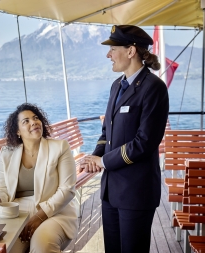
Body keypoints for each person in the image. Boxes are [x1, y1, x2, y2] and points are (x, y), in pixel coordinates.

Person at [79, 25, 169, 252]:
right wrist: (94, 156)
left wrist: (103, 162)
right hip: (111, 191)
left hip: (136, 192)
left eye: (113, 49)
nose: (108, 55)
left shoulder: (153, 88)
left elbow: (144, 143)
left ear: (131, 51)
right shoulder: (116, 86)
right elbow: (106, 132)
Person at [0, 103, 79, 253]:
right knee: (6, 248)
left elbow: (67, 190)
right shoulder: (7, 153)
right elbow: (1, 188)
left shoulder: (60, 147)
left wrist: (39, 217)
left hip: (54, 211)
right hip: (17, 213)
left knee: (43, 245)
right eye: (26, 121)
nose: (34, 122)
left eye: (36, 118)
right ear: (17, 131)